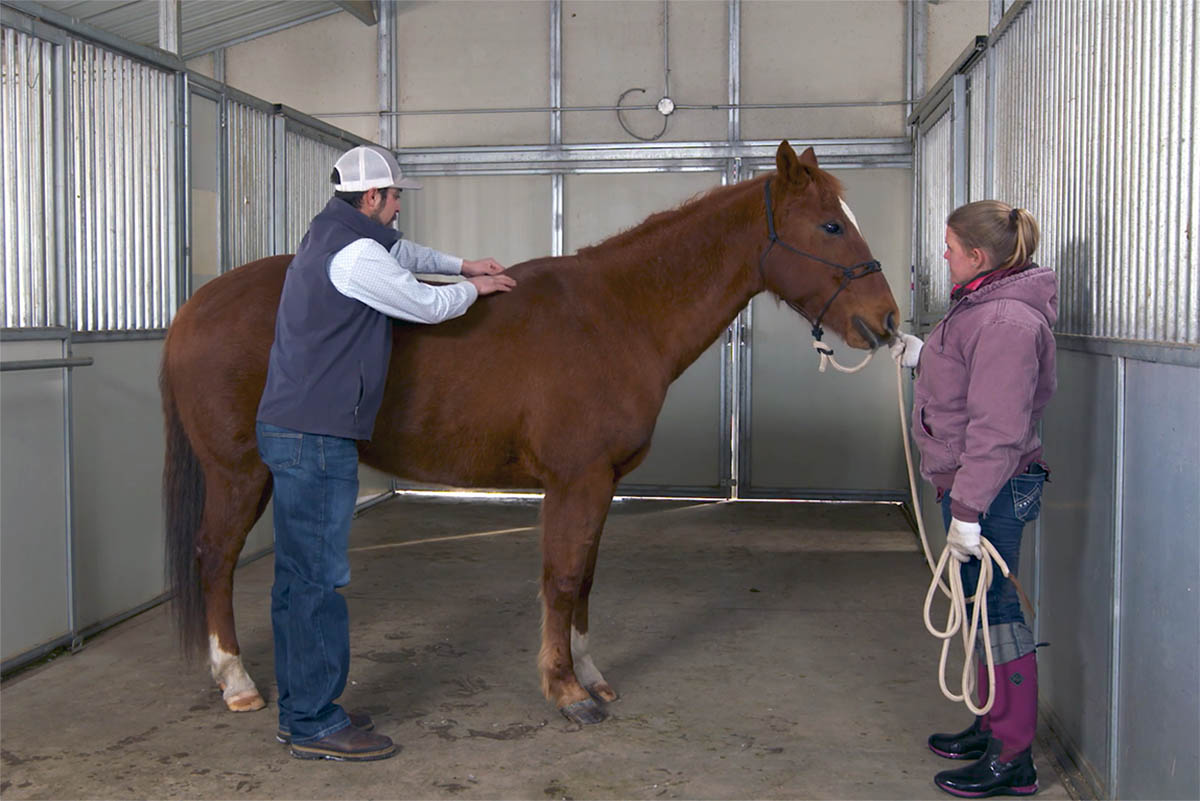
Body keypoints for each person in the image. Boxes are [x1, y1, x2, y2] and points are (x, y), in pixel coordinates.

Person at [255, 145, 516, 762]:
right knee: (318, 581)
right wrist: (473, 288)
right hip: (317, 438)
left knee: (297, 581)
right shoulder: (354, 255)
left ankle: (302, 710)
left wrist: (459, 261)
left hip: (291, 425)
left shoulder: (331, 231)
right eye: (395, 196)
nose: (399, 206)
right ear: (371, 199)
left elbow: (405, 255)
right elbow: (424, 303)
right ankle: (316, 724)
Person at [891, 201, 1056, 797]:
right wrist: (921, 354)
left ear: (978, 257)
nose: (945, 254)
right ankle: (991, 724)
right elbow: (965, 375)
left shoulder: (1007, 321)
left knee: (998, 617)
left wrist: (966, 513)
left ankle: (1013, 756)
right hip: (968, 486)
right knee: (978, 612)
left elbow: (998, 429)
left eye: (951, 247)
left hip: (989, 489)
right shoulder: (981, 303)